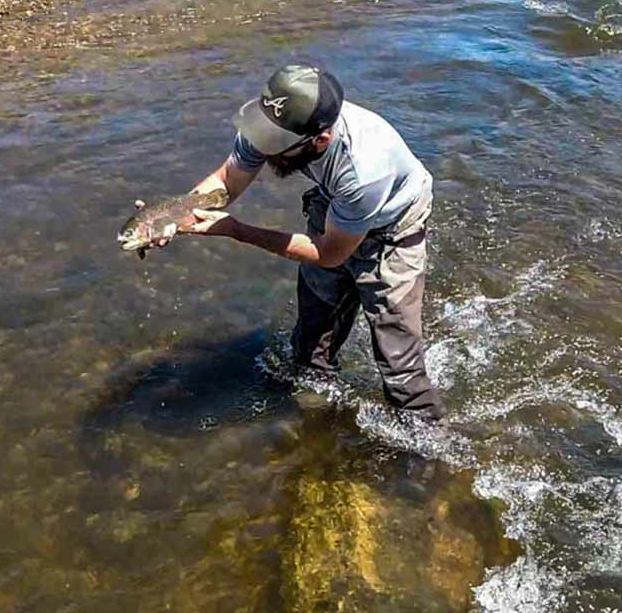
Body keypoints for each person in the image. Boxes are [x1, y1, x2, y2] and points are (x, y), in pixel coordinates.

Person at [150, 64, 446, 422]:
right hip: (334, 206)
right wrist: (171, 215)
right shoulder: (277, 120)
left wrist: (236, 230)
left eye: (276, 146)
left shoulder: (365, 168)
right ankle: (315, 420)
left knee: (400, 368)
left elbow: (328, 254)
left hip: (393, 229)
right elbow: (228, 180)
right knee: (309, 341)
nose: (263, 149)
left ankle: (429, 453)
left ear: (320, 139)